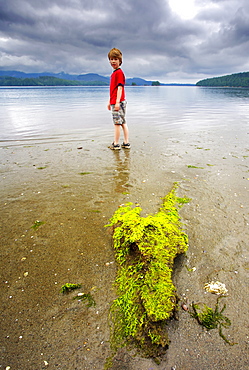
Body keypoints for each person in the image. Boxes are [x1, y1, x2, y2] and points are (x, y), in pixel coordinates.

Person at [107, 48, 130, 150]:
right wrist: (109, 102)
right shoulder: (114, 73)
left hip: (118, 102)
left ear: (120, 60)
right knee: (123, 122)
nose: (113, 61)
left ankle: (116, 143)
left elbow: (120, 88)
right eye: (111, 59)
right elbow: (113, 90)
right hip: (117, 101)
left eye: (115, 59)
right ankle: (126, 143)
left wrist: (116, 102)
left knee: (117, 123)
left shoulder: (119, 73)